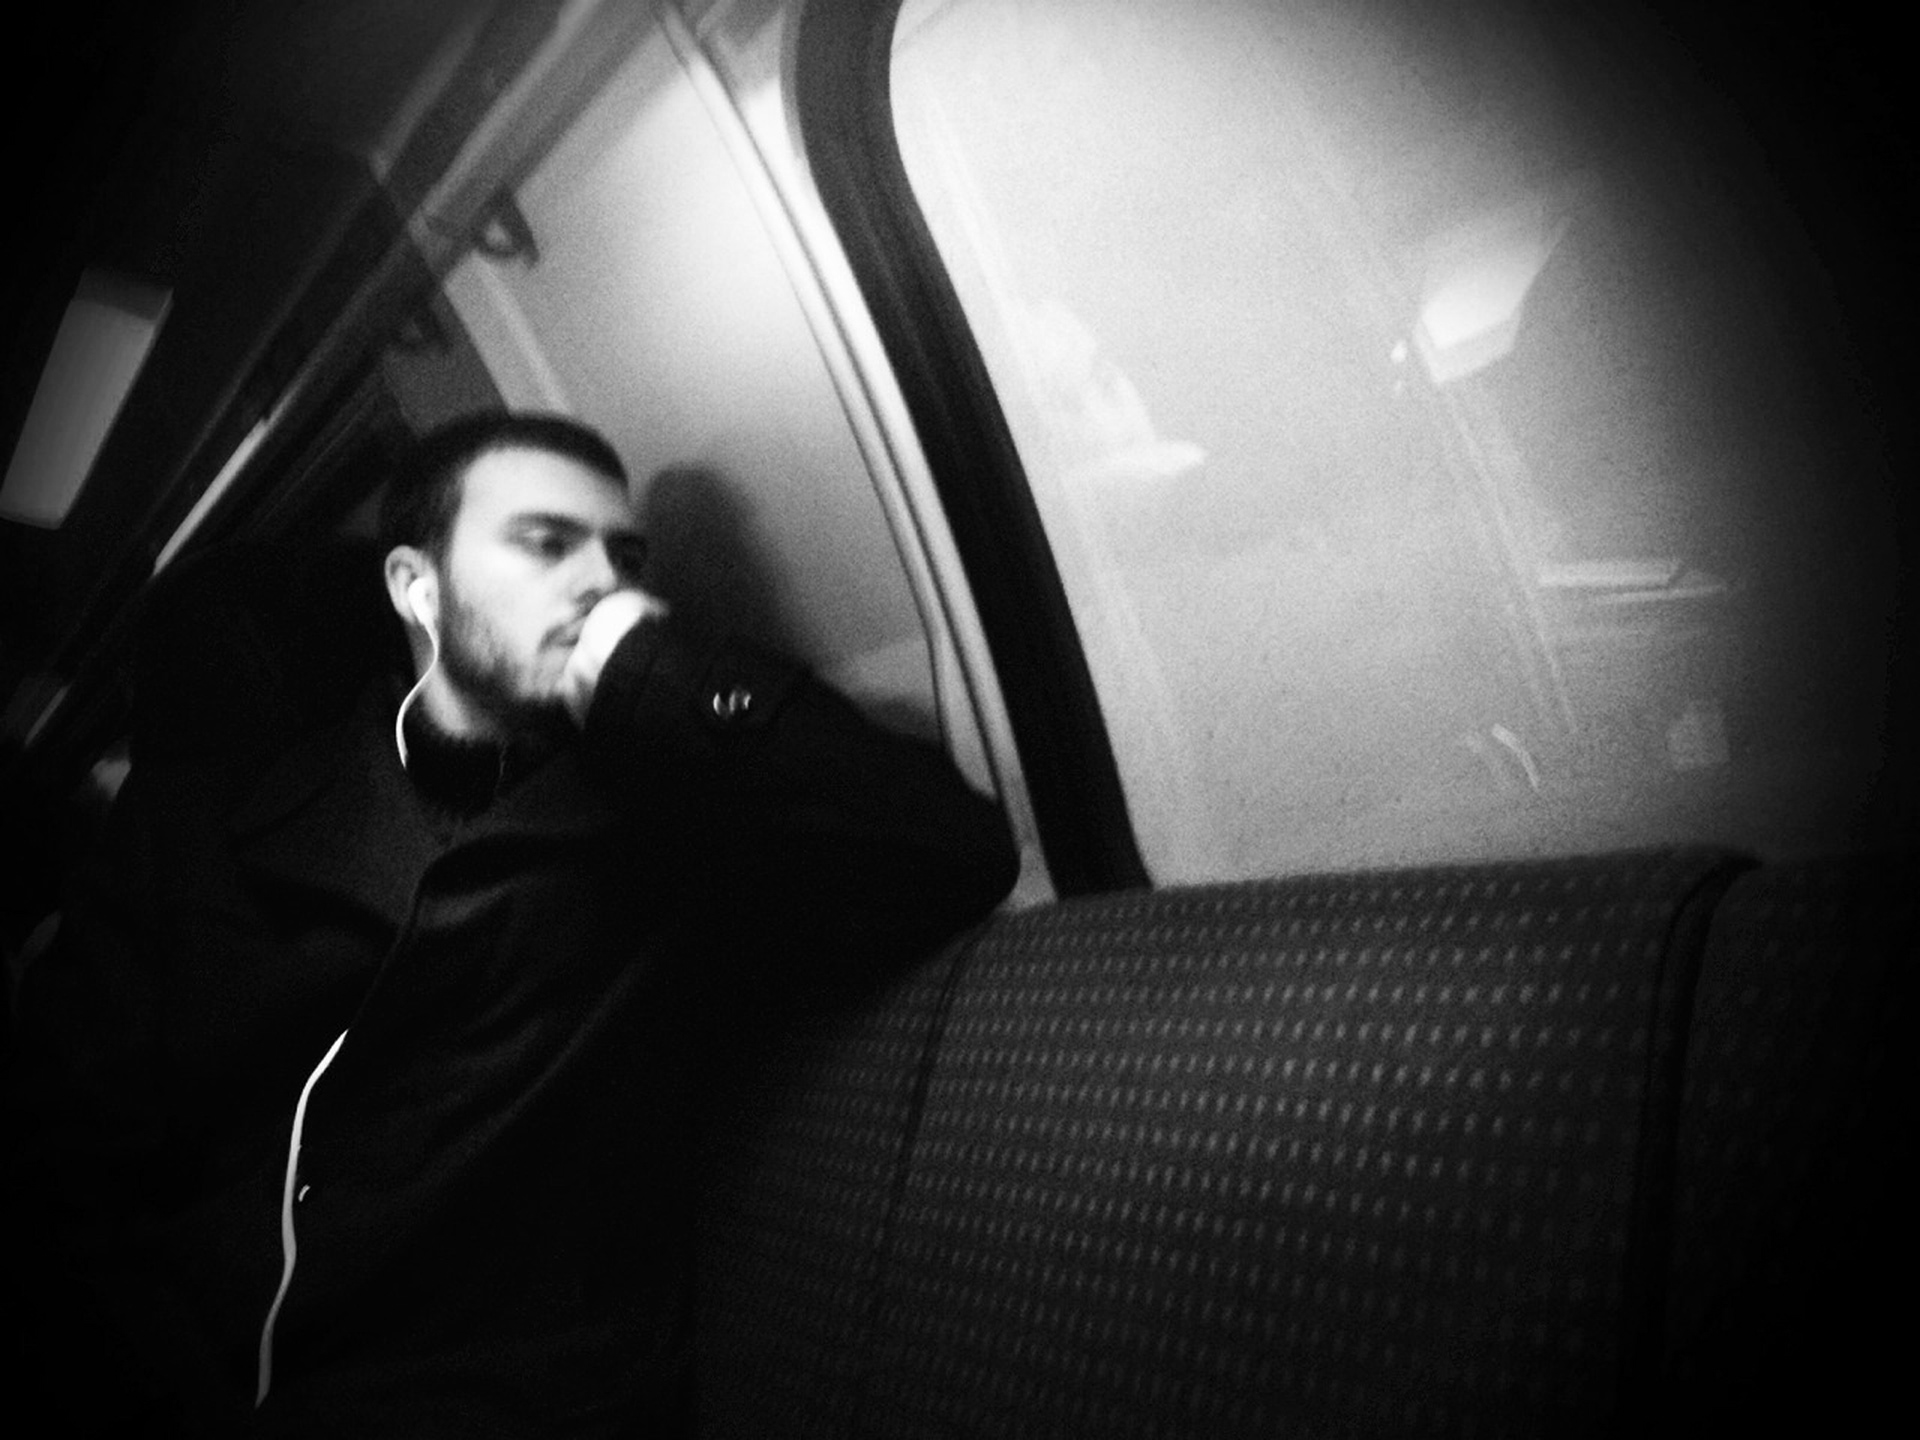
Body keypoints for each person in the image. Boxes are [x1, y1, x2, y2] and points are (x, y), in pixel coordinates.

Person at [3, 410, 1019, 1437]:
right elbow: (62, 1157)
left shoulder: (664, 831)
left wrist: (656, 673)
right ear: (417, 587)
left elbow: (956, 853)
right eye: (545, 543)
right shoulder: (198, 833)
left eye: (626, 557)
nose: (604, 581)